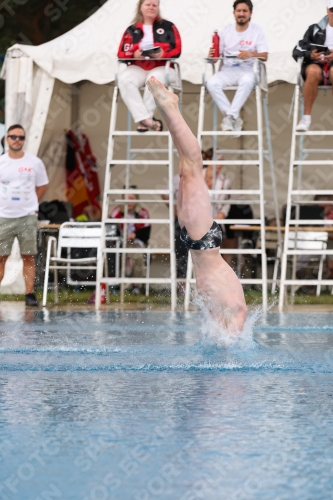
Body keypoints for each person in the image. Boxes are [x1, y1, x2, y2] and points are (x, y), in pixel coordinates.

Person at [146, 77, 247, 336]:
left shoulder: (223, 314)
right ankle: (170, 107)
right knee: (191, 166)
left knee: (186, 169)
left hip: (198, 243)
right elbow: (236, 310)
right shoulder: (235, 312)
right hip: (203, 243)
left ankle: (168, 109)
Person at [0, 124, 49, 306]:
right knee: (1, 257)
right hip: (3, 215)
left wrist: (33, 202)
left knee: (28, 255)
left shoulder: (34, 162)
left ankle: (29, 294)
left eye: (20, 137)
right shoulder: (2, 162)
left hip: (27, 215)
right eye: (13, 137)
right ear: (7, 139)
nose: (17, 140)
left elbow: (43, 184)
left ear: (24, 140)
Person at [117, 0, 181, 132]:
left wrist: (163, 54)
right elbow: (121, 53)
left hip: (162, 66)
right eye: (148, 4)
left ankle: (145, 120)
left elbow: (178, 50)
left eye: (154, 5)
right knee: (124, 79)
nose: (151, 7)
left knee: (153, 79)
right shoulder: (131, 29)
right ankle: (146, 119)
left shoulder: (169, 27)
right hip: (138, 65)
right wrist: (133, 53)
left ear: (158, 7)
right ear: (140, 7)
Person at [206, 0, 268, 135]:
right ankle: (233, 117)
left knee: (247, 81)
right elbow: (216, 58)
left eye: (245, 11)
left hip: (248, 70)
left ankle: (230, 117)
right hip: (227, 70)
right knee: (211, 83)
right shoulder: (225, 31)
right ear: (234, 13)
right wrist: (211, 55)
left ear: (250, 13)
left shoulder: (257, 30)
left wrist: (252, 53)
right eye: (239, 11)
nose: (241, 14)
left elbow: (265, 56)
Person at [293, 1, 333, 132]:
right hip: (317, 65)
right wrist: (311, 55)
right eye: (332, 10)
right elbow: (297, 50)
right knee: (312, 71)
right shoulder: (314, 29)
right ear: (327, 10)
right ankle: (306, 118)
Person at [111, 192, 151, 295]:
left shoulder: (143, 213)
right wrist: (123, 236)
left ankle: (134, 282)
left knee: (135, 251)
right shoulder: (117, 212)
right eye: (126, 198)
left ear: (136, 199)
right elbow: (111, 229)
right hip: (120, 242)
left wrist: (135, 235)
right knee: (123, 249)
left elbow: (146, 234)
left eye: (132, 198)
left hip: (137, 242)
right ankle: (125, 280)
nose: (129, 201)